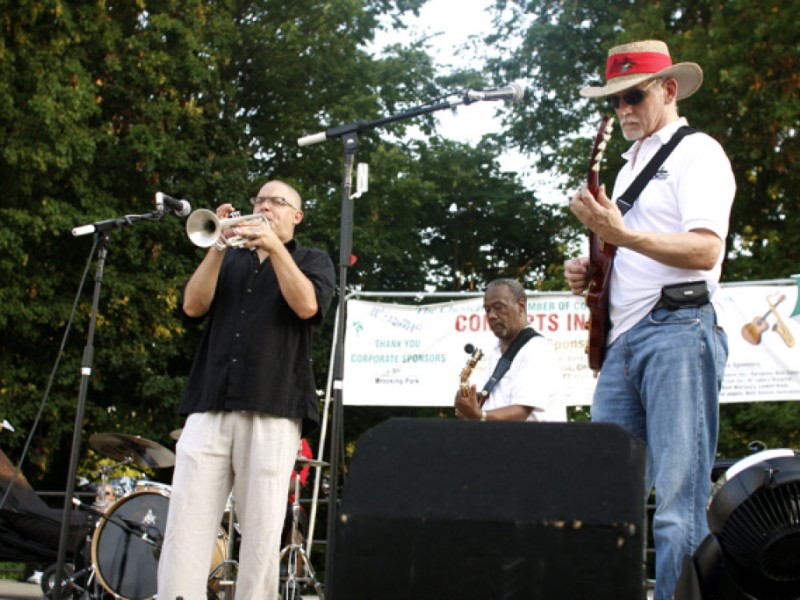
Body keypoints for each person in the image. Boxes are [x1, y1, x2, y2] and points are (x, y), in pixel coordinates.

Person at [564, 40, 735, 600]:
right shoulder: (629, 164)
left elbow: (706, 250)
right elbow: (626, 252)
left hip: (679, 331)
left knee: (676, 505)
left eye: (633, 95)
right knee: (606, 502)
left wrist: (622, 236)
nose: (623, 110)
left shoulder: (698, 152)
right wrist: (591, 267)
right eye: (614, 101)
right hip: (623, 343)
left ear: (668, 89)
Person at [157, 180, 335, 600]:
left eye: (277, 201)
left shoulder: (312, 260)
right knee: (187, 521)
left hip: (274, 404)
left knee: (261, 529)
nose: (265, 206)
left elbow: (307, 305)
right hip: (210, 400)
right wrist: (216, 245)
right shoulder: (229, 260)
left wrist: (273, 248)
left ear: (297, 216)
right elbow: (192, 306)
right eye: (259, 200)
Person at [454, 278, 563, 422]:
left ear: (521, 306)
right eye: (488, 310)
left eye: (499, 307)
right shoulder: (496, 350)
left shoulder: (536, 348)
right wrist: (472, 407)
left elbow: (522, 410)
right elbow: (501, 402)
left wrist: (480, 416)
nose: (491, 315)